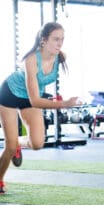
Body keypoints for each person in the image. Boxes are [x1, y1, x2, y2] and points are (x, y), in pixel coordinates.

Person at [0, 22, 81, 194]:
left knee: (37, 144)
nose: (60, 43)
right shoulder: (31, 60)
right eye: (55, 39)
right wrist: (64, 104)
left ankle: (18, 144)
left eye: (62, 39)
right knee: (9, 146)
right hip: (9, 95)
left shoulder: (60, 57)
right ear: (43, 40)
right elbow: (36, 100)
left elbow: (36, 95)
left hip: (31, 98)